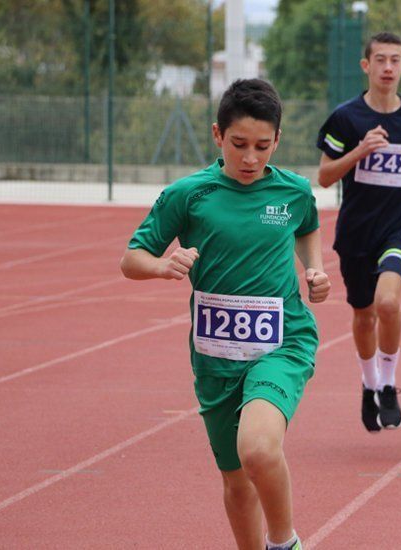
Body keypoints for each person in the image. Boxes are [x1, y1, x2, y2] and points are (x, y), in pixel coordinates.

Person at [121, 78, 329, 550]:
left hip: (283, 341)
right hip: (215, 355)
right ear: (218, 135)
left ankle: (285, 543)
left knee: (257, 448)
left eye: (262, 146)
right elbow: (131, 258)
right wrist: (161, 265)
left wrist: (315, 270)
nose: (251, 158)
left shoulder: (293, 191)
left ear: (277, 140)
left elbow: (309, 226)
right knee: (236, 481)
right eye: (239, 145)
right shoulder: (188, 195)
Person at [316, 32, 401, 433]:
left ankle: (388, 385)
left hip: (398, 222)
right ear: (366, 66)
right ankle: (368, 386)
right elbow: (323, 176)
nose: (388, 67)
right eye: (381, 60)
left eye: (396, 60)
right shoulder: (346, 118)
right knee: (364, 314)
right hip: (356, 230)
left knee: (388, 303)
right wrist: (359, 152)